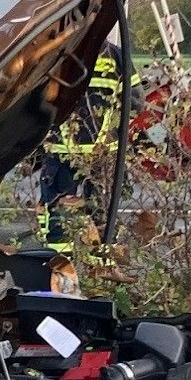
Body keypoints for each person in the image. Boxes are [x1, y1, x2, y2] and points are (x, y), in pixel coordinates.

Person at [38, 49, 136, 253]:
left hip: (62, 151)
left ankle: (59, 272)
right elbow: (134, 103)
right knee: (102, 212)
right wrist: (110, 132)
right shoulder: (117, 57)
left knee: (58, 214)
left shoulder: (58, 55)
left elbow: (37, 100)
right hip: (102, 153)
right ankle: (101, 271)